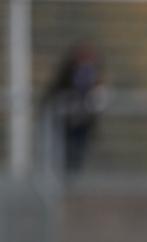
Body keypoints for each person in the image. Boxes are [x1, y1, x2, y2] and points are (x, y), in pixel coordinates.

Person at [42, 42, 106, 173]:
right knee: (61, 155)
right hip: (64, 124)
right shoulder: (65, 76)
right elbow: (52, 97)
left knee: (77, 157)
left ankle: (71, 177)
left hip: (83, 124)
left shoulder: (95, 76)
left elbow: (97, 101)